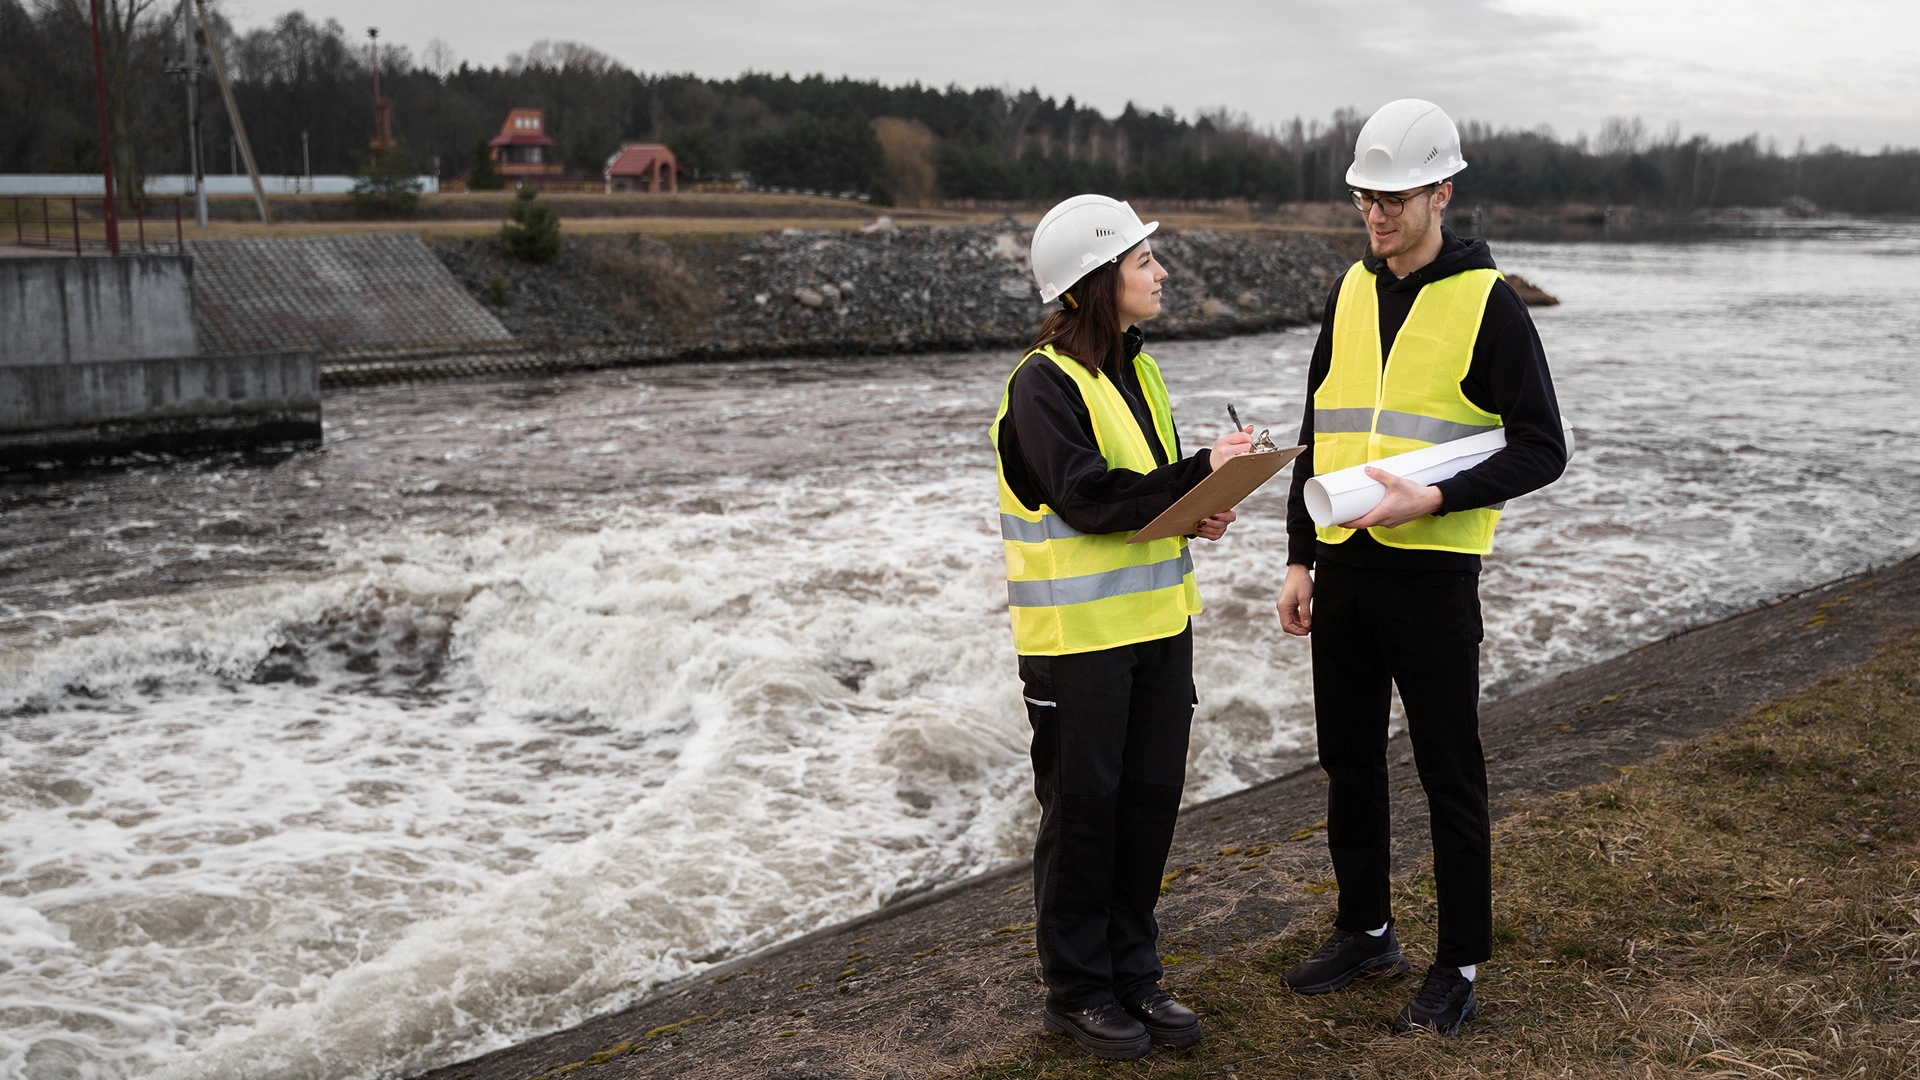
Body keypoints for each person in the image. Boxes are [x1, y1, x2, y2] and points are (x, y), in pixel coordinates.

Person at [1273, 99, 1568, 1035]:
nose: (1376, 214)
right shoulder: (1349, 289)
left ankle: (1460, 965)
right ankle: (1367, 929)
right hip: (1347, 571)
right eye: (1366, 197)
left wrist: (1436, 498)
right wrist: (1297, 558)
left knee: (1450, 772)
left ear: (1443, 192)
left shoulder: (1490, 304)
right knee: (1348, 763)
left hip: (1436, 578)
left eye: (1394, 197)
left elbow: (1543, 447)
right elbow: (1320, 427)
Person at [992, 194, 1253, 1060]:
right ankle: (1077, 989)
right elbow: (1088, 496)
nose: (1160, 273)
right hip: (1077, 646)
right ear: (1097, 281)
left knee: (1147, 805)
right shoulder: (1041, 384)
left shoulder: (1141, 372)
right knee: (1084, 813)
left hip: (1157, 628)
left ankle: (1134, 974)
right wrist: (1193, 475)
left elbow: (1147, 499)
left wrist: (1200, 506)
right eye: (1144, 262)